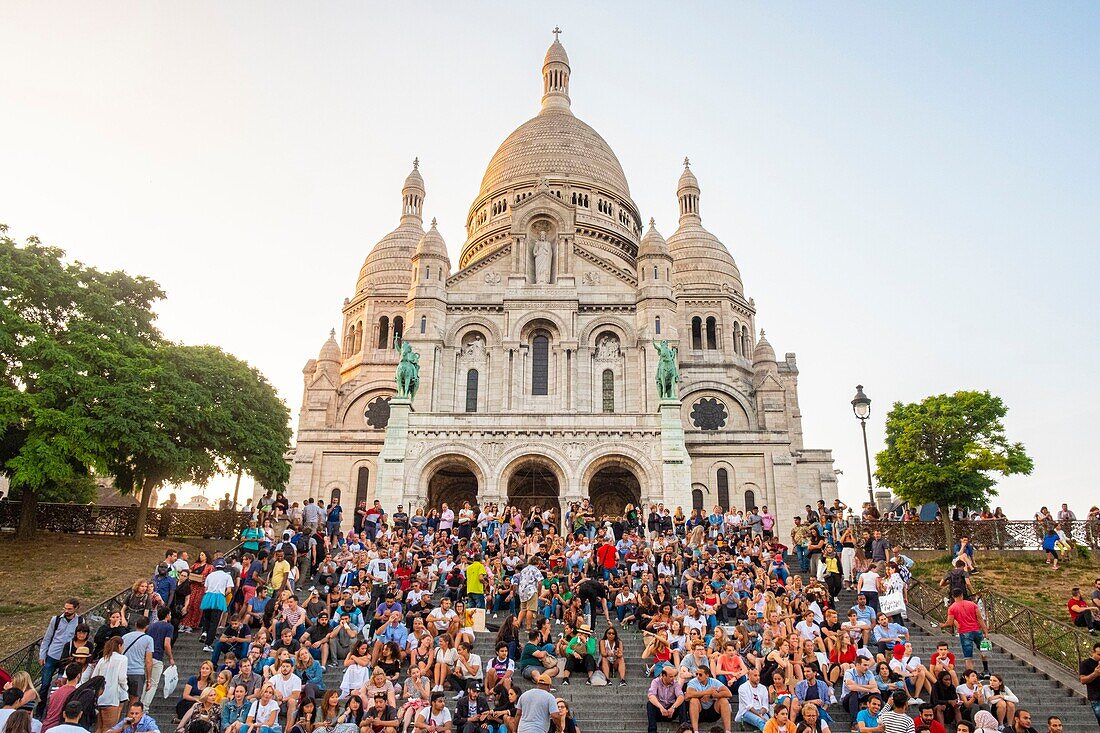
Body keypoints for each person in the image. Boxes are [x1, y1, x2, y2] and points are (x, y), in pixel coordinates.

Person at [38, 599, 84, 713]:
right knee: (44, 685)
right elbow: (47, 637)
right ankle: (40, 710)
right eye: (65, 608)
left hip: (67, 657)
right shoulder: (56, 620)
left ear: (76, 609)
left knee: (62, 685)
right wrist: (42, 655)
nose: (67, 611)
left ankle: (56, 710)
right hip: (53, 654)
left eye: (70, 609)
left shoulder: (80, 621)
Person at [942, 589, 990, 678]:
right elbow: (980, 618)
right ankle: (986, 670)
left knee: (968, 657)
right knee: (984, 650)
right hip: (977, 630)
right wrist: (986, 632)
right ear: (962, 595)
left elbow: (949, 623)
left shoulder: (952, 608)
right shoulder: (972, 604)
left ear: (953, 596)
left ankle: (971, 675)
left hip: (964, 632)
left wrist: (942, 625)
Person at [1079, 641, 1100, 727]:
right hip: (1096, 698)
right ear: (1093, 653)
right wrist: (1095, 674)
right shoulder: (1086, 664)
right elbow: (1083, 680)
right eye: (1099, 655)